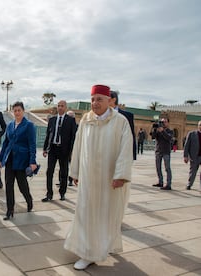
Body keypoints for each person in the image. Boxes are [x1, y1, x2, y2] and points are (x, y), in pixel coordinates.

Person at [64, 84, 133, 270]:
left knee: (106, 215)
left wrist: (120, 175)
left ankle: (102, 247)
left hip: (109, 180)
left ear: (109, 101)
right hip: (88, 179)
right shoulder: (86, 120)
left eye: (99, 99)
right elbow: (78, 146)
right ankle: (87, 252)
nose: (95, 103)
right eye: (92, 99)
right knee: (86, 213)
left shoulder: (120, 121)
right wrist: (76, 171)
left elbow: (126, 150)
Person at [0, 101, 37, 220]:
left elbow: (32, 145)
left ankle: (29, 200)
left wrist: (32, 161)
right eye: (15, 110)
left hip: (22, 160)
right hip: (9, 159)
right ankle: (10, 210)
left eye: (19, 110)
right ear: (12, 112)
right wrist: (0, 159)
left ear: (23, 111)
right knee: (9, 185)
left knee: (22, 186)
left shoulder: (29, 125)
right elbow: (5, 143)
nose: (17, 112)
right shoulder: (9, 125)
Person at [42, 100, 76, 202]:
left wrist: (71, 151)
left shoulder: (70, 120)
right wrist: (45, 148)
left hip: (64, 150)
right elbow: (48, 135)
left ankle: (62, 193)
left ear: (66, 108)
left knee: (64, 173)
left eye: (62, 106)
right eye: (58, 106)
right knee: (49, 172)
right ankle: (49, 194)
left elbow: (73, 137)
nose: (60, 108)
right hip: (52, 149)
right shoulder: (52, 120)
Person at [109, 91, 137, 160]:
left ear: (114, 100)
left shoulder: (127, 116)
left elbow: (131, 135)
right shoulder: (101, 115)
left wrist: (132, 154)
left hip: (121, 153)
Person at [150, 118, 173, 190]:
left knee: (167, 168)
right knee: (158, 168)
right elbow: (153, 136)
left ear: (168, 123)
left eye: (165, 122)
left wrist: (162, 131)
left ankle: (168, 184)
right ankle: (160, 182)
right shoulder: (158, 130)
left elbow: (168, 138)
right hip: (158, 151)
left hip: (166, 151)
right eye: (162, 122)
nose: (163, 123)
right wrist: (154, 128)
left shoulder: (170, 131)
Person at [183, 120, 201, 190]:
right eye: (200, 125)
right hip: (194, 156)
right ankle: (189, 184)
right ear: (198, 126)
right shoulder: (192, 134)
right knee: (193, 171)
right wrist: (185, 156)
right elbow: (186, 145)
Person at [66, 110, 78, 186]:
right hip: (64, 148)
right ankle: (61, 180)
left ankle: (70, 180)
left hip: (73, 148)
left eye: (71, 116)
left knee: (72, 165)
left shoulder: (77, 126)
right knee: (63, 165)